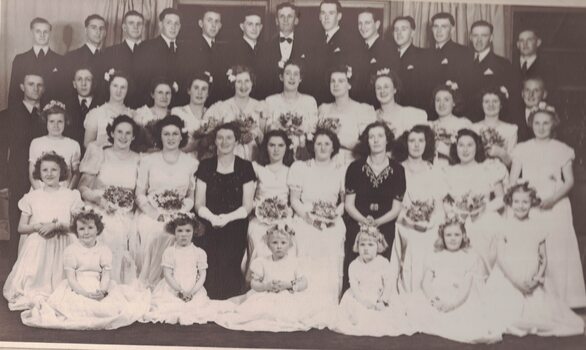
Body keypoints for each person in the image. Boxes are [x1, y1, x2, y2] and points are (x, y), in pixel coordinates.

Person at [20, 209, 150, 330]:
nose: (86, 232)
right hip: (77, 286)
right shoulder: (71, 251)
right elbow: (71, 279)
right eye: (81, 229)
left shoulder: (104, 250)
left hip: (98, 285)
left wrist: (103, 291)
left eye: (90, 228)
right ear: (76, 232)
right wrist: (85, 294)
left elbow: (105, 275)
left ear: (97, 229)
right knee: (77, 308)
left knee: (109, 308)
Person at [509, 103, 586, 308]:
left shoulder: (562, 150)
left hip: (555, 204)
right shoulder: (522, 149)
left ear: (553, 124)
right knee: (531, 247)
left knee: (557, 248)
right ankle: (533, 293)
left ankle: (562, 297)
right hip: (529, 206)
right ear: (530, 124)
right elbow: (513, 179)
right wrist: (524, 200)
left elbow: (568, 181)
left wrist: (552, 199)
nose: (541, 127)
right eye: (537, 123)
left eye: (546, 123)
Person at [484, 183, 585, 337]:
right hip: (509, 276)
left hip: (532, 276)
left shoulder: (538, 226)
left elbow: (544, 258)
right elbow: (501, 258)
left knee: (543, 312)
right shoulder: (504, 225)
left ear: (532, 203)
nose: (520, 206)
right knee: (504, 310)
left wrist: (538, 277)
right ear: (510, 202)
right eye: (516, 202)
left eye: (525, 202)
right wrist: (516, 282)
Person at [3, 153, 83, 311]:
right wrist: (38, 226)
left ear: (62, 172)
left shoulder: (71, 195)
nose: (49, 174)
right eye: (45, 170)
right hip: (39, 244)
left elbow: (76, 228)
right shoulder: (31, 197)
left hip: (63, 243)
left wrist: (56, 226)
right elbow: (21, 228)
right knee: (36, 245)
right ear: (39, 173)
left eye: (54, 170)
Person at [404, 218, 501, 343]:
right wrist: (433, 299)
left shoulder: (469, 257)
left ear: (463, 236)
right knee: (415, 309)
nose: (453, 238)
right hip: (437, 294)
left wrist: (452, 304)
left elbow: (466, 286)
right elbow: (426, 282)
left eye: (457, 234)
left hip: (458, 297)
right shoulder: (436, 255)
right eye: (448, 235)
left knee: (466, 321)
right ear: (442, 237)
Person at [216, 223, 326, 332]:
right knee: (258, 310)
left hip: (288, 296)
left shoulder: (295, 262)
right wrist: (265, 286)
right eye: (274, 242)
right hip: (267, 294)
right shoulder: (263, 262)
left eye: (283, 243)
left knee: (292, 313)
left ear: (290, 244)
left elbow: (304, 282)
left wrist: (289, 285)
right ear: (268, 245)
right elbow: (254, 283)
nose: (279, 246)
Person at [135, 115, 198, 289]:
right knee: (155, 232)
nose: (171, 138)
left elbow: (191, 196)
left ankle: (174, 284)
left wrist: (179, 212)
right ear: (160, 136)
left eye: (175, 134)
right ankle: (150, 283)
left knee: (177, 232)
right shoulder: (148, 160)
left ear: (181, 136)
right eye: (166, 134)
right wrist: (155, 213)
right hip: (152, 213)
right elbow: (140, 193)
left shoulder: (191, 163)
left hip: (181, 213)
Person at [195, 122, 256, 299]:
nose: (224, 141)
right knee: (209, 259)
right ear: (214, 141)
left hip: (235, 223)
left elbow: (247, 206)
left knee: (229, 258)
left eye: (229, 137)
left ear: (236, 141)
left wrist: (227, 218)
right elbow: (199, 203)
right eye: (220, 137)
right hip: (208, 222)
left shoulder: (245, 167)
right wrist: (213, 218)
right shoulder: (206, 166)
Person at [78, 115, 141, 284]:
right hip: (100, 206)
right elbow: (83, 188)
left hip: (127, 211)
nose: (123, 136)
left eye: (128, 133)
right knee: (107, 229)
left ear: (134, 137)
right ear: (112, 133)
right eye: (119, 131)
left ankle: (117, 282)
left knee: (129, 232)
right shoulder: (100, 154)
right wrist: (100, 201)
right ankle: (97, 280)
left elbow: (140, 192)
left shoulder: (138, 159)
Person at [343, 121, 405, 292]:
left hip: (385, 224)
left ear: (387, 140)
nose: (376, 140)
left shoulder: (398, 170)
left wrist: (376, 223)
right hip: (357, 222)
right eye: (371, 137)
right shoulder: (355, 168)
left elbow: (396, 208)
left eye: (380, 136)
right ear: (367, 141)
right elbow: (349, 204)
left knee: (382, 266)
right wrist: (364, 221)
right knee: (354, 261)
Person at [288, 128, 345, 307]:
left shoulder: (341, 170)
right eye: (319, 143)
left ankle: (327, 300)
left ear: (333, 147)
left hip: (331, 220)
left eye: (327, 144)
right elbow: (294, 200)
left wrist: (332, 216)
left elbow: (343, 202)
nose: (322, 147)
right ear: (313, 146)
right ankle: (303, 299)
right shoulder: (300, 167)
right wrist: (309, 218)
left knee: (332, 238)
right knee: (306, 237)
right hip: (305, 217)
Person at [443, 129, 506, 275]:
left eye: (470, 145)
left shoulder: (489, 168)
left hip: (486, 217)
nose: (465, 150)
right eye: (461, 145)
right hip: (459, 218)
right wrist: (455, 212)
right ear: (455, 147)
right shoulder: (449, 172)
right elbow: (444, 201)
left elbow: (501, 198)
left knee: (483, 234)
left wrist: (484, 208)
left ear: (477, 147)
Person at [142, 213, 225, 325]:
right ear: (174, 232)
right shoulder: (170, 252)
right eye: (180, 231)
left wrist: (192, 292)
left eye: (188, 231)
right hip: (173, 287)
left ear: (194, 231)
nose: (184, 235)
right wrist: (180, 291)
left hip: (193, 288)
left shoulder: (199, 252)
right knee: (167, 307)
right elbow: (167, 274)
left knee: (198, 308)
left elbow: (202, 275)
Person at [391, 125, 445, 294]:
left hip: (428, 224)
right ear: (405, 144)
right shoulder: (397, 169)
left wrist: (431, 223)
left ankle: (425, 294)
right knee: (412, 239)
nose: (416, 145)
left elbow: (438, 205)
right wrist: (408, 221)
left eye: (421, 141)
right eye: (412, 140)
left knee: (430, 238)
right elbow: (393, 205)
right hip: (402, 222)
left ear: (426, 144)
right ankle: (407, 292)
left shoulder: (433, 170)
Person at [333, 225, 413, 337]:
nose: (366, 248)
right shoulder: (354, 265)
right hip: (361, 296)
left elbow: (388, 284)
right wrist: (363, 300)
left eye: (370, 245)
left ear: (378, 246)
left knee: (386, 315)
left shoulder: (383, 263)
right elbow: (355, 287)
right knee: (357, 312)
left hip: (380, 295)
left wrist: (383, 300)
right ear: (357, 246)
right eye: (362, 244)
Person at [7, 72, 46, 258]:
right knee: (19, 220)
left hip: (44, 176)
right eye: (31, 84)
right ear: (22, 87)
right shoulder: (8, 115)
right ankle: (16, 265)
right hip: (18, 176)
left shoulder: (49, 115)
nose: (35, 88)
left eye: (39, 85)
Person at [245, 130, 293, 278]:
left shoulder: (291, 170)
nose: (276, 149)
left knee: (289, 242)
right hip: (260, 218)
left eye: (280, 145)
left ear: (286, 148)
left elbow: (294, 200)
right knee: (258, 239)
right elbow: (249, 199)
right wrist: (261, 210)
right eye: (272, 145)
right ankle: (258, 282)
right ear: (266, 147)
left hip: (283, 218)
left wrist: (284, 213)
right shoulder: (257, 168)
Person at [133, 8, 194, 107]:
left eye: (176, 24)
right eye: (169, 23)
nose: (173, 27)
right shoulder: (146, 47)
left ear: (180, 27)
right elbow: (141, 81)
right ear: (161, 25)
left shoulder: (187, 51)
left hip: (180, 106)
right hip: (153, 105)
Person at [317, 65, 377, 166]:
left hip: (351, 163)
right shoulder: (323, 108)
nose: (336, 85)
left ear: (349, 85)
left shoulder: (363, 110)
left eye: (341, 81)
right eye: (333, 81)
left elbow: (366, 145)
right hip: (325, 162)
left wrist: (336, 137)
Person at [204, 65, 265, 161]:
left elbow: (265, 137)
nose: (243, 86)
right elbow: (210, 134)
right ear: (233, 84)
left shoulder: (260, 106)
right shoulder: (221, 107)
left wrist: (254, 135)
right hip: (227, 158)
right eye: (239, 82)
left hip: (253, 158)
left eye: (247, 81)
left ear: (252, 83)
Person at [264, 60, 318, 160]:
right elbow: (266, 131)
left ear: (300, 78)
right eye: (288, 73)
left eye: (296, 74)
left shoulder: (309, 101)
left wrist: (302, 132)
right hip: (276, 155)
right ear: (281, 77)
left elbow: (313, 131)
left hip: (303, 154)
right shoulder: (270, 101)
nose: (292, 78)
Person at [257, 3, 310, 99]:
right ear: (277, 21)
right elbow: (262, 79)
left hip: (299, 99)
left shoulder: (307, 47)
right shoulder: (265, 48)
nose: (285, 20)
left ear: (296, 20)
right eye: (282, 16)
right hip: (272, 99)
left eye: (289, 16)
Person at [467, 20, 515, 122]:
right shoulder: (463, 61)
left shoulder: (503, 64)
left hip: (490, 121)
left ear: (491, 38)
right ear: (470, 37)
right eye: (475, 36)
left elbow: (509, 101)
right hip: (466, 121)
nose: (479, 40)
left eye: (484, 35)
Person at [311, 0, 358, 104]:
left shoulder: (350, 41)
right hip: (316, 100)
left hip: (338, 101)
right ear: (319, 16)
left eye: (331, 13)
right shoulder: (313, 40)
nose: (326, 17)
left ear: (339, 16)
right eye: (323, 13)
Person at [9, 18, 63, 105]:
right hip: (26, 113)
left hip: (52, 114)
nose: (42, 35)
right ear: (32, 33)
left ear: (50, 33)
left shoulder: (61, 60)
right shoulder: (20, 60)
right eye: (38, 31)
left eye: (45, 32)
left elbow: (63, 92)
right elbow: (14, 93)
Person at [28, 101, 80, 190]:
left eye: (60, 121)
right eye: (52, 121)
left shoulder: (73, 144)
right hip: (40, 192)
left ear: (65, 122)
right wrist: (40, 194)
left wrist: (67, 193)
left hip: (64, 193)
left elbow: (76, 173)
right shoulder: (36, 143)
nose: (56, 125)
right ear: (46, 122)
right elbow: (32, 173)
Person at [428, 12, 471, 117]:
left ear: (452, 30)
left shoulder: (464, 52)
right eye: (435, 26)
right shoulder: (426, 54)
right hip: (430, 111)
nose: (438, 31)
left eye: (444, 27)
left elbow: (468, 85)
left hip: (455, 113)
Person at [353, 9, 398, 106]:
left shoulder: (388, 49)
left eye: (367, 23)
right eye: (360, 23)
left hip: (378, 105)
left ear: (377, 25)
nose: (363, 27)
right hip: (358, 106)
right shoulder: (356, 50)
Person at [99, 10, 144, 108]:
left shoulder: (151, 51)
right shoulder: (110, 52)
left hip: (145, 107)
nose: (135, 27)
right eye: (131, 23)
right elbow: (104, 86)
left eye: (139, 24)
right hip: (119, 106)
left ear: (143, 27)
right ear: (124, 27)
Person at [83, 70, 133, 147]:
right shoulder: (96, 113)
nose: (118, 91)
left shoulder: (133, 114)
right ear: (109, 87)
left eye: (123, 87)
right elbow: (88, 144)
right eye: (115, 86)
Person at [472, 87, 518, 167]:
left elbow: (512, 164)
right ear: (481, 105)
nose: (491, 105)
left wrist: (501, 153)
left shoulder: (511, 129)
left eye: (495, 101)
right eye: (486, 102)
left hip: (501, 174)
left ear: (501, 105)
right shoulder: (473, 128)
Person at [64, 14, 107, 100]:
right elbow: (67, 87)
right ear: (86, 30)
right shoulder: (72, 57)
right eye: (94, 28)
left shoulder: (109, 56)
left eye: (101, 28)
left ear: (105, 32)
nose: (98, 32)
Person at [374, 69, 427, 138]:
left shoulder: (409, 114)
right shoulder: (371, 116)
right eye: (378, 88)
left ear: (394, 89)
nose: (382, 91)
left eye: (386, 87)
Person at [392, 16, 429, 111]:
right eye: (396, 30)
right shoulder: (388, 56)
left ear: (412, 32)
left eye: (403, 29)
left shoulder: (423, 56)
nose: (399, 33)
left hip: (413, 111)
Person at [430, 84, 472, 167]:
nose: (441, 104)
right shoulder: (429, 125)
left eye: (446, 100)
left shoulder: (463, 124)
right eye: (438, 100)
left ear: (454, 103)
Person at [171, 72, 212, 154]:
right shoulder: (178, 112)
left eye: (204, 89)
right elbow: (174, 145)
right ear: (189, 91)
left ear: (208, 94)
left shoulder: (212, 113)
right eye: (196, 88)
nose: (200, 93)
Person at [193, 9, 228, 104]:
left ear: (220, 26)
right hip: (199, 101)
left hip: (218, 101)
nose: (214, 25)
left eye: (217, 21)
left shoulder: (223, 50)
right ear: (201, 23)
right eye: (209, 20)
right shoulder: (191, 47)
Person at [228, 11, 264, 99]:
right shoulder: (231, 50)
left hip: (261, 99)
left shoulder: (266, 49)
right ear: (242, 26)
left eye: (257, 24)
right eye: (250, 24)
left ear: (261, 27)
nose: (254, 28)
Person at [64, 67, 102, 150]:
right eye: (79, 79)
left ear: (94, 83)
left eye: (88, 79)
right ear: (74, 84)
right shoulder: (65, 106)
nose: (83, 83)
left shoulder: (102, 105)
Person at [133, 78, 173, 152]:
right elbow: (135, 143)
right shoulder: (142, 114)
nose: (164, 97)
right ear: (152, 95)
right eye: (160, 92)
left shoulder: (175, 114)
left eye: (167, 93)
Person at [516, 76, 548, 142]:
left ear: (544, 94)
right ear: (522, 94)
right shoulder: (512, 116)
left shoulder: (549, 115)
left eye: (536, 90)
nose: (531, 94)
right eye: (527, 90)